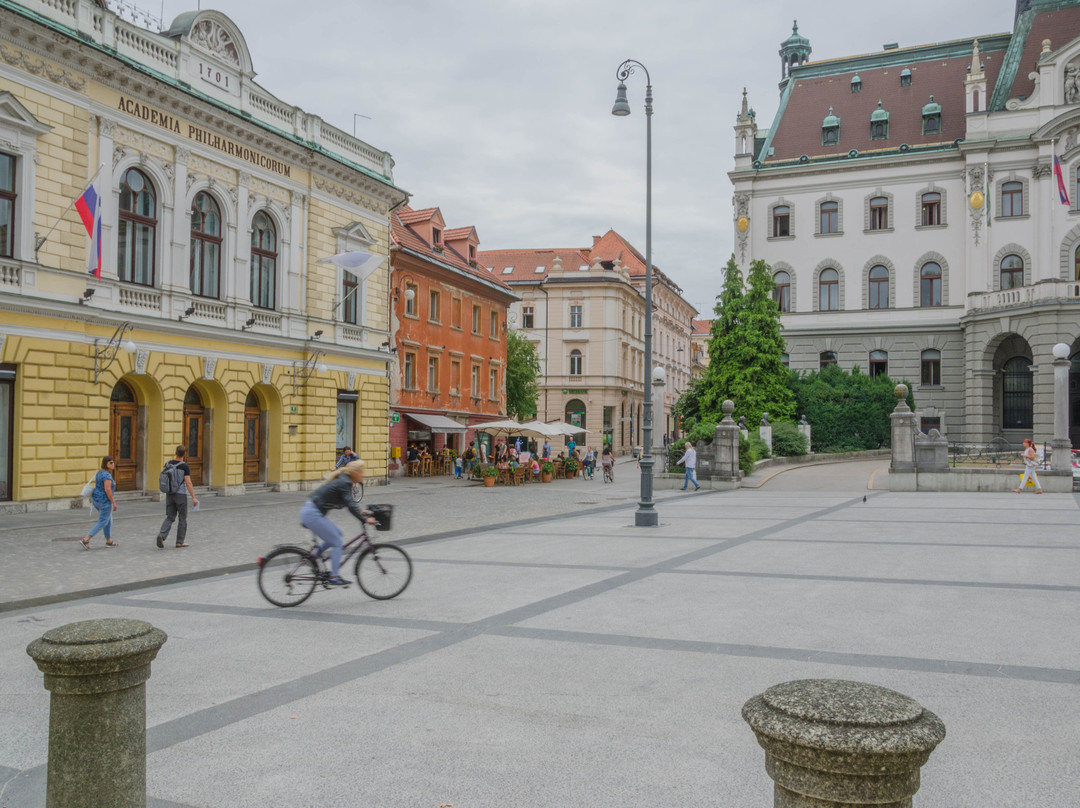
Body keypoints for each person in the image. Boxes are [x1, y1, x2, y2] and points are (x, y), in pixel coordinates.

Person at [301, 459, 375, 587]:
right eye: (362, 471)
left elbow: (349, 503)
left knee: (338, 534)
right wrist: (365, 519)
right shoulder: (344, 482)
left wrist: (361, 511)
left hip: (311, 511)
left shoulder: (345, 480)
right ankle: (334, 577)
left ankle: (314, 556)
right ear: (354, 472)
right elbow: (350, 504)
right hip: (312, 514)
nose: (363, 474)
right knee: (337, 542)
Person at [156, 445, 199, 548]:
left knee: (170, 517)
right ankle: (180, 541)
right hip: (181, 495)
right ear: (184, 454)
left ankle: (162, 535)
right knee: (182, 518)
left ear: (175, 452)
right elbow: (188, 483)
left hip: (170, 493)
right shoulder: (184, 466)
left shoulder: (168, 464)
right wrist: (193, 497)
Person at [80, 456, 119, 550]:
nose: (113, 464)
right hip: (105, 501)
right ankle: (86, 539)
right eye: (111, 463)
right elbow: (107, 489)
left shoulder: (99, 473)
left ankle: (109, 541)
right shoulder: (107, 476)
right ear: (106, 464)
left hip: (96, 500)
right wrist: (113, 502)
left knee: (108, 520)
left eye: (113, 462)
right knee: (103, 521)